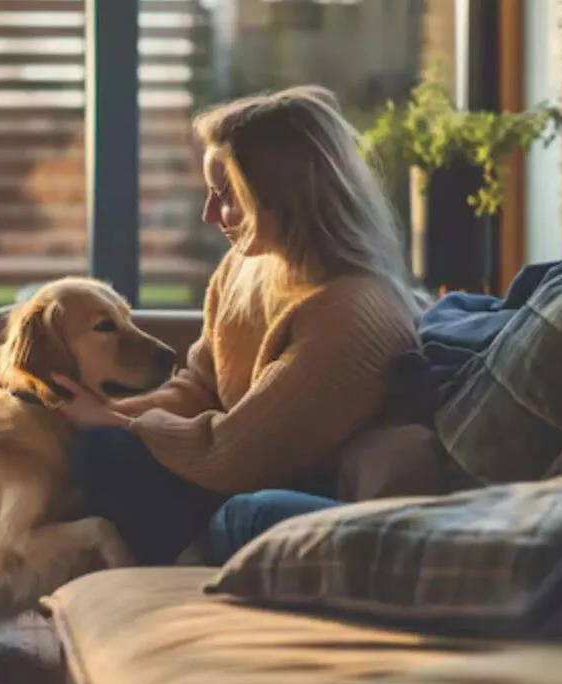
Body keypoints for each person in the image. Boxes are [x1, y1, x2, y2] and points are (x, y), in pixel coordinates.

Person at [53, 86, 423, 566]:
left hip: (289, 484)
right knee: (87, 445)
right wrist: (100, 411)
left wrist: (117, 421)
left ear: (285, 195)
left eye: (226, 195)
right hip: (225, 461)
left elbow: (236, 453)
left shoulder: (350, 313)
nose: (210, 214)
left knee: (106, 453)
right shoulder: (245, 264)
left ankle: (196, 556)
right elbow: (200, 385)